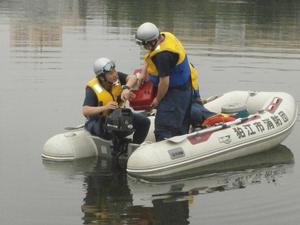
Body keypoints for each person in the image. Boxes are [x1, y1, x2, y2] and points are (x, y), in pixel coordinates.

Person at [135, 22, 193, 141]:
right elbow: (150, 54)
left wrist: (157, 99)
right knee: (180, 124)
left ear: (151, 41)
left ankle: (166, 148)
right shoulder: (165, 36)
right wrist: (143, 71)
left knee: (164, 127)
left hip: (174, 93)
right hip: (185, 87)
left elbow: (164, 82)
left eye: (145, 44)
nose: (144, 47)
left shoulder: (163, 56)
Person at [82, 57, 150, 144]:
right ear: (102, 78)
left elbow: (133, 77)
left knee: (144, 122)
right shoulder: (92, 89)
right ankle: (116, 144)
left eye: (115, 71)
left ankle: (134, 146)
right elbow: (85, 110)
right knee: (113, 128)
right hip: (99, 121)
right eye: (111, 73)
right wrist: (105, 107)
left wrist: (126, 88)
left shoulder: (117, 78)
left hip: (118, 116)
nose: (115, 74)